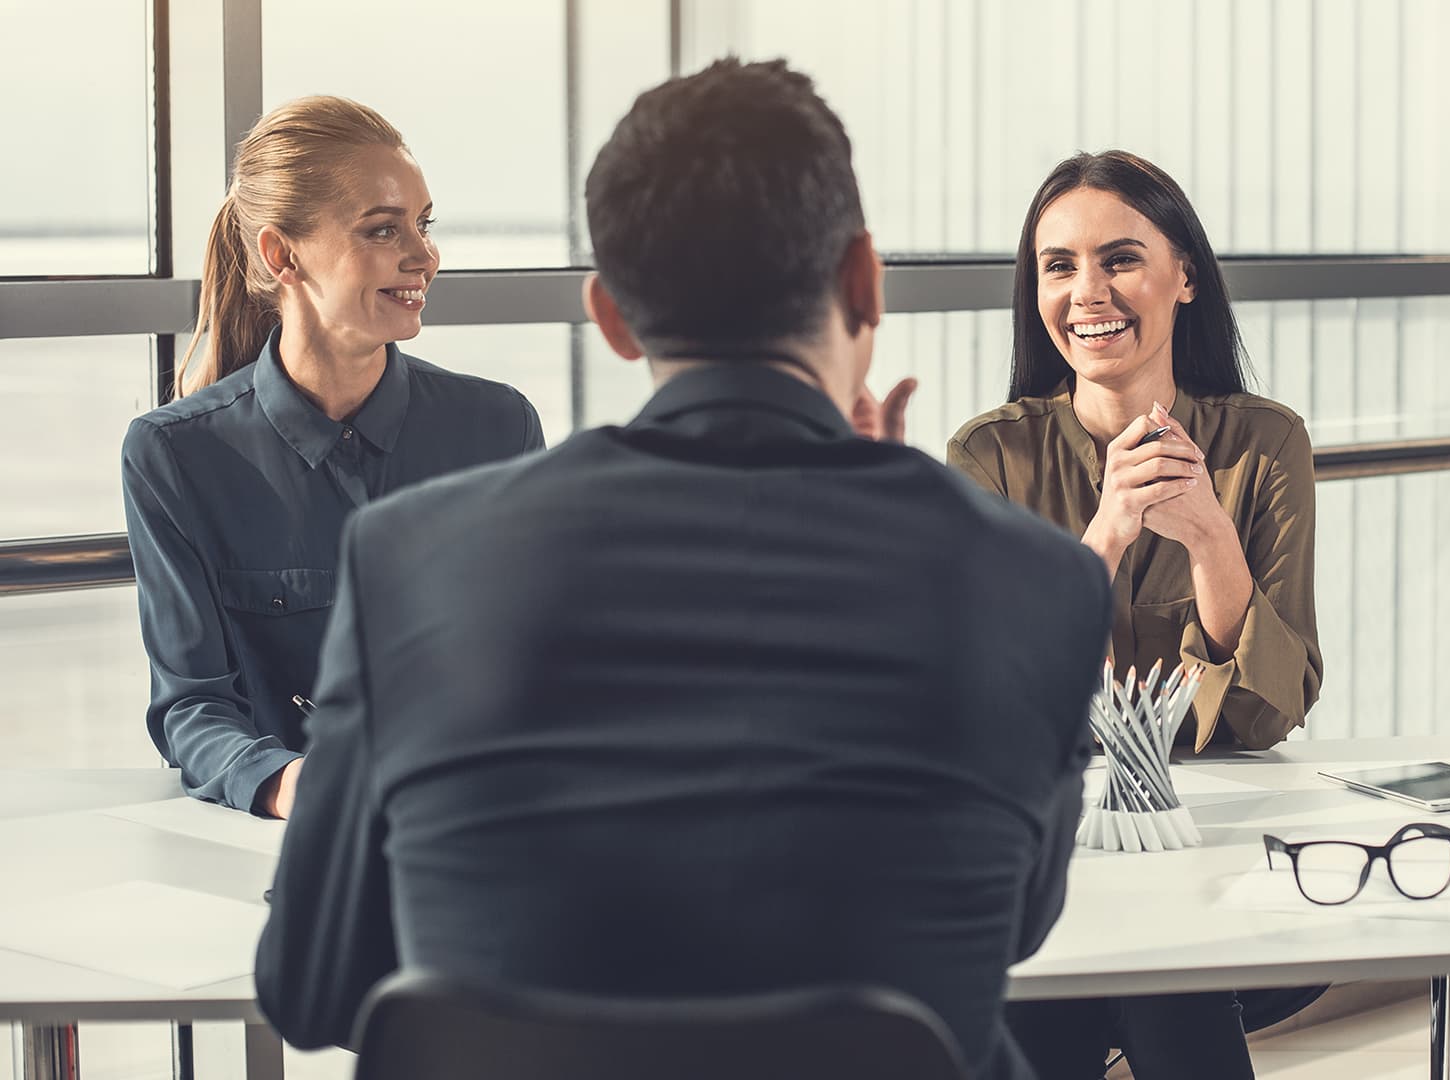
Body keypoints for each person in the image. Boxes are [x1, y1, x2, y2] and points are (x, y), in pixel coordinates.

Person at [254, 59, 1112, 1080]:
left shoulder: (410, 558)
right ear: (863, 282)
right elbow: (1010, 926)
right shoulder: (1039, 581)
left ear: (610, 316)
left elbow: (311, 986)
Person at [947, 150, 1327, 1080]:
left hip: (1209, 855)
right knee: (1132, 974)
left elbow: (1272, 709)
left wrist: (1210, 540)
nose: (1088, 293)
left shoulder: (1263, 444)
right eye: (1060, 265)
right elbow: (993, 706)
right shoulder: (989, 458)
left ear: (1184, 276)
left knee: (1134, 973)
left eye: (1120, 259)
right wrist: (1107, 535)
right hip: (1054, 856)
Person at [120, 96, 544, 817]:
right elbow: (192, 708)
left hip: (482, 828)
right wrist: (303, 787)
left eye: (424, 223)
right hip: (294, 846)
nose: (424, 255)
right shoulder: (174, 455)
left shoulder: (497, 428)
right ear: (282, 255)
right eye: (384, 229)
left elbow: (542, 665)